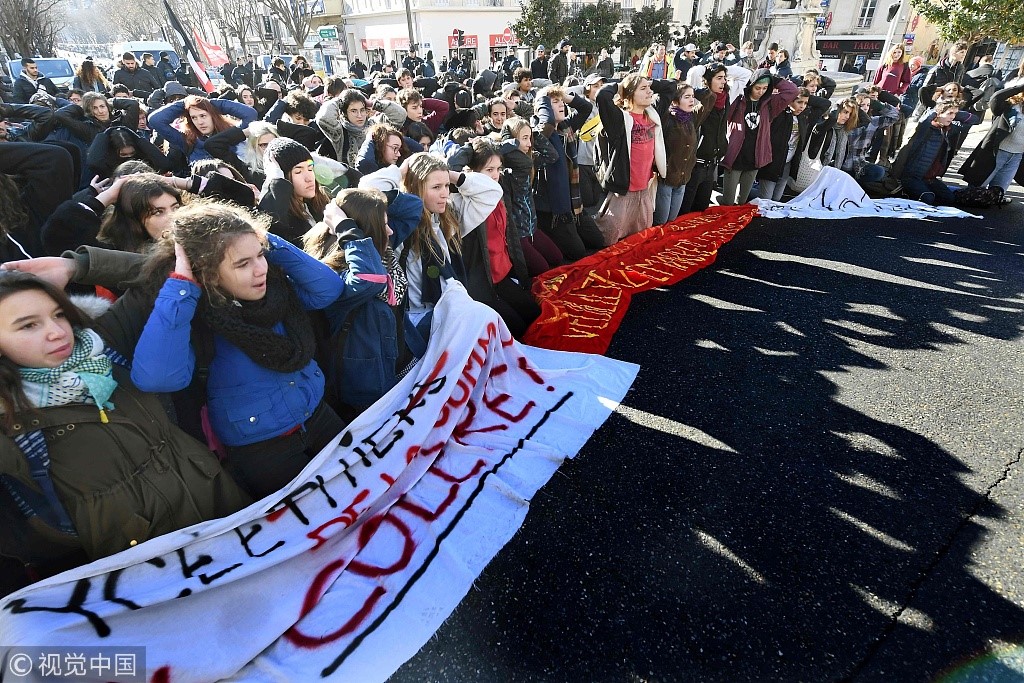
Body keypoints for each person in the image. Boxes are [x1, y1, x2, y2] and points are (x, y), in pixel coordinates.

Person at [0, 270, 251, 586]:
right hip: (152, 575)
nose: (57, 332)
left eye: (58, 314)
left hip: (227, 515)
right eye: (28, 325)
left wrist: (78, 265)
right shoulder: (11, 423)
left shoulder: (105, 345)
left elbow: (166, 271)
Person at [123, 199, 347, 499]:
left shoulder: (278, 288)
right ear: (207, 272)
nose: (260, 270)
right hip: (263, 451)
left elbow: (328, 289)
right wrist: (181, 286)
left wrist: (263, 242)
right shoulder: (195, 314)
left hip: (320, 417)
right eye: (243, 264)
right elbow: (158, 378)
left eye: (260, 256)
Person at [359, 152, 503, 349]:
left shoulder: (449, 216)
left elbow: (492, 192)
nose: (445, 193)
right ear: (415, 187)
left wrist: (450, 175)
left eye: (446, 186)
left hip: (449, 312)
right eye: (436, 187)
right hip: (415, 319)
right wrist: (402, 171)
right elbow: (366, 190)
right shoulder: (399, 225)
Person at [303, 186, 421, 413]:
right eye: (382, 224)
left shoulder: (379, 251)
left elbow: (413, 208)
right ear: (365, 231)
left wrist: (369, 198)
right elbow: (371, 279)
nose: (389, 231)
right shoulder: (335, 275)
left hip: (402, 362)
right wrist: (345, 226)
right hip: (370, 387)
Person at [448, 138, 540, 338]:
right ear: (471, 172)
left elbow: (524, 163)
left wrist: (499, 141)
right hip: (483, 282)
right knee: (518, 330)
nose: (496, 175)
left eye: (498, 169)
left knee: (534, 314)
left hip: (503, 273)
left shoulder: (499, 190)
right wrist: (469, 147)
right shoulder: (464, 201)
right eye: (489, 170)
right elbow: (451, 167)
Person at [593, 74, 668, 243]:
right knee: (610, 237)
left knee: (640, 238)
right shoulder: (620, 119)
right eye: (643, 89)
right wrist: (620, 86)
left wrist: (650, 82)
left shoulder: (652, 113)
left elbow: (670, 87)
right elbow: (602, 96)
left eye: (649, 88)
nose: (649, 92)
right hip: (623, 191)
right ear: (630, 94)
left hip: (645, 188)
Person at [534, 85, 602, 259]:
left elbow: (586, 108)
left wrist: (563, 96)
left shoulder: (566, 127)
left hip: (573, 203)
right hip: (553, 210)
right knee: (577, 252)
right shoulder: (537, 132)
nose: (561, 105)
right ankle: (547, 236)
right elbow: (547, 123)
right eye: (554, 102)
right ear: (543, 109)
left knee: (597, 241)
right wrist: (543, 97)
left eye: (561, 101)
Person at [720, 69, 798, 205]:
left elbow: (792, 91)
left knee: (742, 201)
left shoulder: (770, 104)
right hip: (735, 156)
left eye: (765, 88)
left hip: (755, 158)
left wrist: (773, 79)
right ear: (751, 85)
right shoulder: (739, 100)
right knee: (728, 200)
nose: (761, 91)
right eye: (757, 88)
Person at [678, 64, 732, 215]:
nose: (723, 82)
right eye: (719, 78)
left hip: (712, 162)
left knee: (701, 209)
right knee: (686, 210)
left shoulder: (725, 97)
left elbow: (744, 74)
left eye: (725, 78)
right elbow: (694, 73)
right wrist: (706, 67)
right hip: (696, 163)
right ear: (708, 80)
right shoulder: (699, 96)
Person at [258, 138, 332, 246]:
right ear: (282, 177)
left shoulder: (321, 203)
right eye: (298, 172)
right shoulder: (283, 216)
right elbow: (272, 227)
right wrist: (276, 179)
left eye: (310, 169)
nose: (309, 178)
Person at [149, 95, 257, 165]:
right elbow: (155, 120)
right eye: (194, 117)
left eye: (203, 116)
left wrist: (210, 104)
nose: (200, 122)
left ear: (213, 115)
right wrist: (186, 103)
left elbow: (250, 114)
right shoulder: (187, 141)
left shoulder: (231, 133)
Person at [891, 102, 963, 204]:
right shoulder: (926, 127)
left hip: (929, 178)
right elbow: (925, 119)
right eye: (950, 113)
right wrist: (937, 110)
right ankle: (903, 190)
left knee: (949, 199)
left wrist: (953, 110)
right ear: (938, 113)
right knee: (928, 198)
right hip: (911, 176)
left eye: (955, 114)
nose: (953, 117)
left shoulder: (947, 130)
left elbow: (973, 119)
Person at [959, 83, 1024, 196]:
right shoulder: (1009, 106)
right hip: (997, 152)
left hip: (1016, 156)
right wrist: (1020, 87)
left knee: (997, 193)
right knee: (976, 191)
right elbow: (996, 97)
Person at [655, 83, 702, 223]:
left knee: (672, 221)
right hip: (666, 178)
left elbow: (709, 97)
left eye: (693, 97)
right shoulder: (667, 118)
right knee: (661, 222)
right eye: (687, 97)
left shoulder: (691, 118)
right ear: (675, 101)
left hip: (683, 178)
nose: (692, 100)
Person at [792, 99, 861, 193]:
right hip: (814, 173)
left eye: (850, 114)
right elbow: (830, 120)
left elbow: (866, 120)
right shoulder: (823, 126)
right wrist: (838, 106)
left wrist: (855, 105)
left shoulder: (843, 131)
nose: (847, 117)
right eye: (845, 112)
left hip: (830, 175)